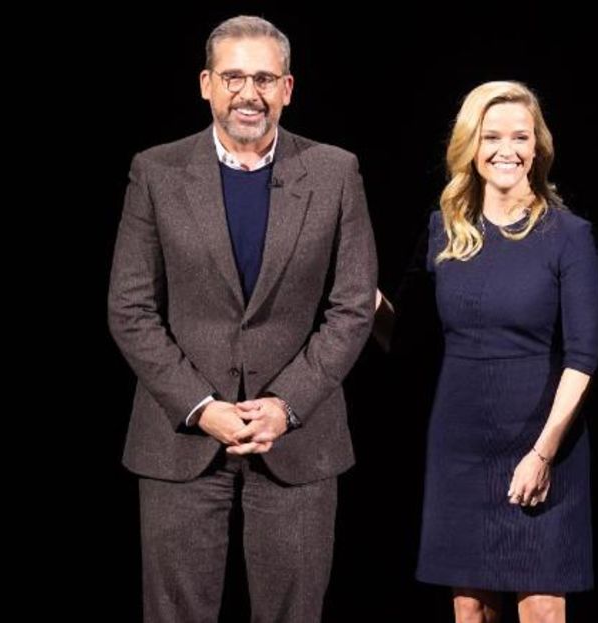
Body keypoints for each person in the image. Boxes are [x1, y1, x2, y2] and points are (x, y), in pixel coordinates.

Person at [107, 15, 376, 622]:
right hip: (179, 438)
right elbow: (130, 307)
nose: (248, 93)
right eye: (233, 77)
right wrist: (203, 407)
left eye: (263, 78)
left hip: (299, 440)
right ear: (206, 84)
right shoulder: (155, 172)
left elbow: (354, 305)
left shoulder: (336, 172)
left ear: (287, 87)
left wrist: (286, 403)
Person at [380, 80, 598, 622]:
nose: (507, 150)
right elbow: (400, 334)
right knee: (471, 609)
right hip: (459, 445)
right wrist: (353, 290)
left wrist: (543, 453)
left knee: (542, 607)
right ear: (470, 148)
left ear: (537, 147)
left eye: (520, 137)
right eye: (492, 137)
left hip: (544, 441)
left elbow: (584, 357)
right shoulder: (444, 230)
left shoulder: (569, 236)